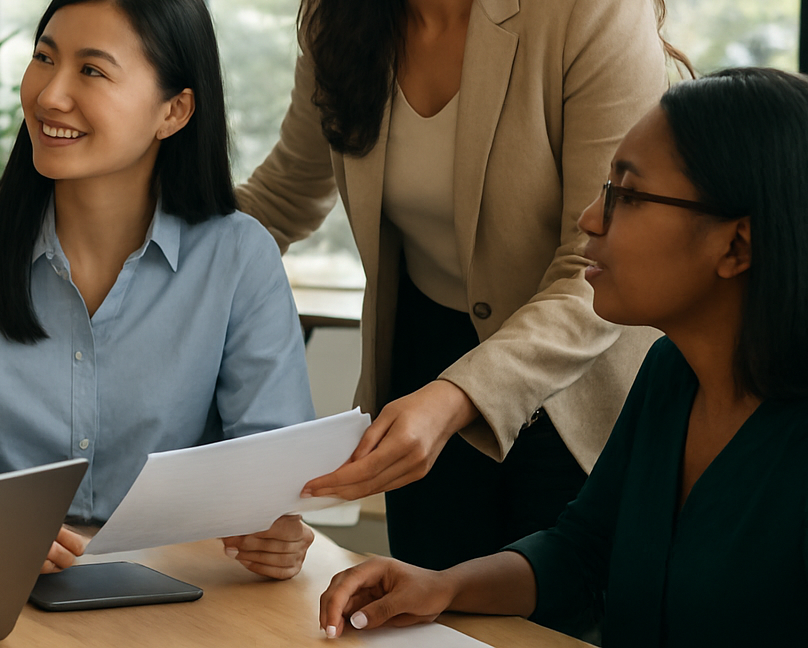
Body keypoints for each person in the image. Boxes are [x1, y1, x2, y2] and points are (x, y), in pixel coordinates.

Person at [235, 0, 688, 569]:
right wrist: (114, 248)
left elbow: (603, 262)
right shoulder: (345, 16)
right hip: (420, 368)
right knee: (424, 616)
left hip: (573, 388)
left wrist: (459, 396)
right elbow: (280, 201)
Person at [0, 0, 317, 579]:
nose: (48, 95)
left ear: (173, 112)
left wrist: (276, 530)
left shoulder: (238, 257)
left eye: (91, 71)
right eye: (44, 58)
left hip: (178, 591)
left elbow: (273, 469)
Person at [318, 67, 808, 644]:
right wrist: (443, 586)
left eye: (626, 195)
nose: (589, 219)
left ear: (736, 245)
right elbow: (583, 552)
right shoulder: (670, 373)